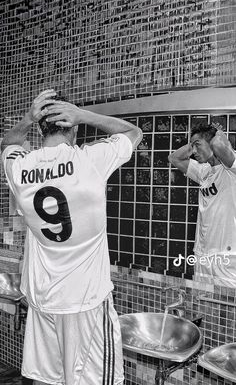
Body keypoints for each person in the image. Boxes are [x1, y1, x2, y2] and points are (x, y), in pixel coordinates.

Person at [1, 89, 143, 385]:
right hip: (86, 301)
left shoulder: (21, 167)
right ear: (73, 127)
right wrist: (85, 115)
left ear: (40, 129)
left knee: (47, 379)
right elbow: (133, 133)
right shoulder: (90, 159)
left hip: (43, 299)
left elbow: (9, 143)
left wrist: (28, 118)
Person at [168, 122, 236, 287]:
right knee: (203, 305)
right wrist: (192, 145)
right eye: (193, 148)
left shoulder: (231, 170)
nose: (194, 152)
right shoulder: (203, 171)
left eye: (198, 146)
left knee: (227, 307)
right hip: (202, 254)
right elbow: (173, 158)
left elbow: (217, 144)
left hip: (226, 255)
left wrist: (216, 131)